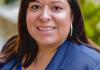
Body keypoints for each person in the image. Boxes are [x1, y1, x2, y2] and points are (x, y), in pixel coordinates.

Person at [0, 0, 100, 70]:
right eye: (35, 7)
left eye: (56, 8)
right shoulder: (12, 47)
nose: (44, 17)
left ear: (72, 17)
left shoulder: (92, 65)